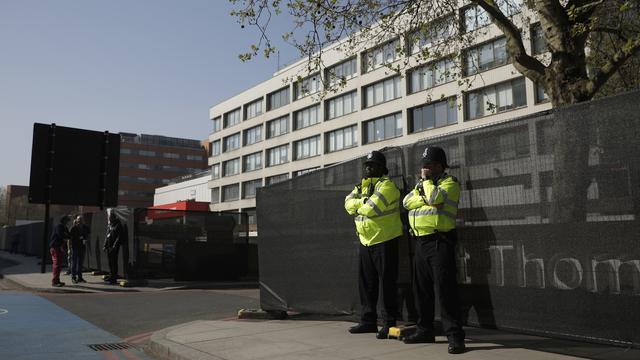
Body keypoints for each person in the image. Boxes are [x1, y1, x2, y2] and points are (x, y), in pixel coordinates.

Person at [402, 146, 466, 354]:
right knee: (422, 292)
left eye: (430, 165)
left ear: (440, 165)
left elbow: (436, 199)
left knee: (446, 291)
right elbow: (406, 202)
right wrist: (424, 193)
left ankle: (455, 337)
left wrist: (426, 186)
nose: (426, 169)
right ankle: (425, 330)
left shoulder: (450, 183)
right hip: (421, 243)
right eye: (424, 166)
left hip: (440, 242)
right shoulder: (423, 186)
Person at [344, 150, 403, 339]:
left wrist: (359, 204)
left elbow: (372, 209)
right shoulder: (361, 187)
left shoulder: (388, 186)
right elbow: (347, 203)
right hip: (366, 241)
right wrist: (363, 201)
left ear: (381, 168)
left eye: (373, 165)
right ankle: (368, 321)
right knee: (367, 284)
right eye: (367, 165)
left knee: (387, 283)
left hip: (385, 240)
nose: (368, 167)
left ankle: (388, 323)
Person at [49, 215, 71, 287]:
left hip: (59, 247)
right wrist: (66, 237)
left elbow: (68, 236)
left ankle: (57, 280)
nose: (67, 222)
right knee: (57, 264)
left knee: (58, 264)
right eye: (67, 220)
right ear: (63, 220)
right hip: (56, 247)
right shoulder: (59, 226)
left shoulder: (64, 227)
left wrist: (66, 237)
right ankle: (55, 281)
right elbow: (61, 235)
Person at [103, 211, 123, 285]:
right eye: (109, 218)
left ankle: (114, 278)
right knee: (110, 263)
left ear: (113, 218)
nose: (109, 219)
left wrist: (115, 245)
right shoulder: (110, 225)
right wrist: (105, 245)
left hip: (114, 247)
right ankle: (111, 276)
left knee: (114, 263)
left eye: (110, 217)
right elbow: (107, 236)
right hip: (108, 246)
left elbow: (119, 237)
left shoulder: (118, 225)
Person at [70, 215, 89, 283]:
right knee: (74, 262)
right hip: (75, 247)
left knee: (80, 263)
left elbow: (88, 234)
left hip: (82, 247)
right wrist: (70, 247)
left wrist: (85, 238)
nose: (80, 221)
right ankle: (73, 277)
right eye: (79, 220)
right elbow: (70, 237)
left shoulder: (85, 227)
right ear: (77, 221)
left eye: (81, 220)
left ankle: (80, 277)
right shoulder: (73, 228)